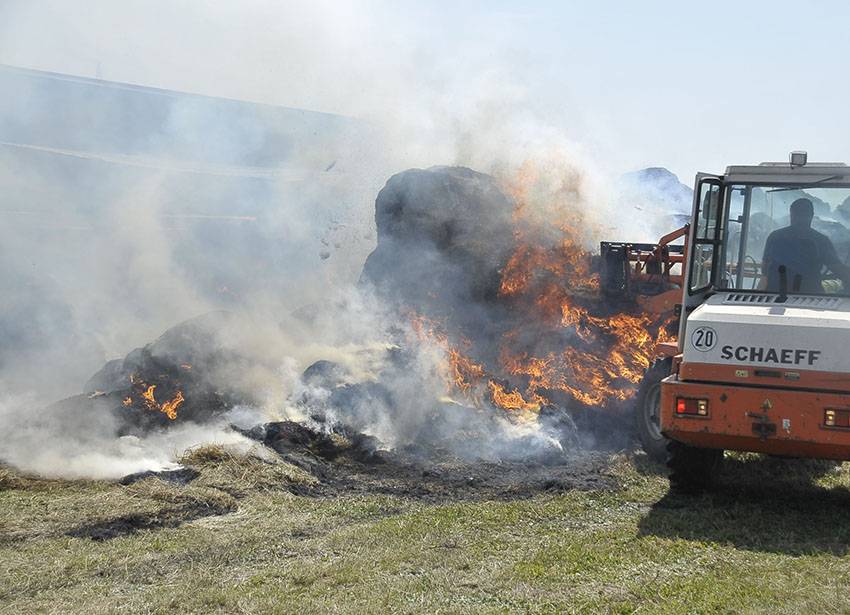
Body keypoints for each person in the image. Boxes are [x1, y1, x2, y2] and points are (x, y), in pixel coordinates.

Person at [762, 198, 850, 293]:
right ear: (811, 216)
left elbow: (765, 269)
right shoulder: (820, 240)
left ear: (792, 215)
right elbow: (837, 269)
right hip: (811, 296)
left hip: (775, 295)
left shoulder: (775, 236)